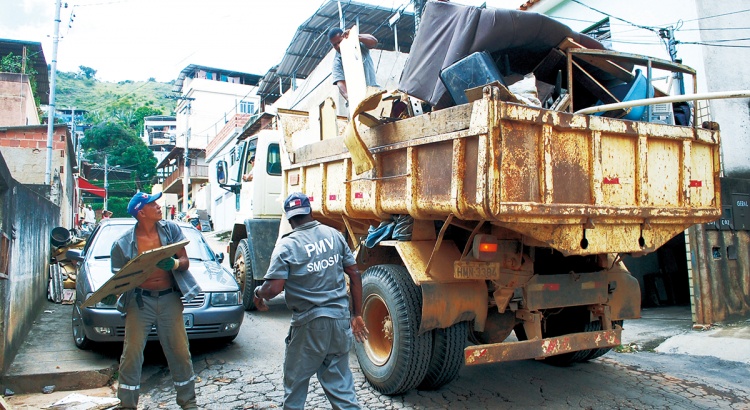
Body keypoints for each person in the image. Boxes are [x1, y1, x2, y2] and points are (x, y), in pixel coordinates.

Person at [254, 192, 369, 410]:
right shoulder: (334, 235)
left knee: (295, 387)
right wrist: (357, 315)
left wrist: (259, 293)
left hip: (309, 326)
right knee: (341, 389)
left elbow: (274, 288)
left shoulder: (287, 245)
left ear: (289, 218)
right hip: (339, 322)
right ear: (310, 211)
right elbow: (354, 274)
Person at [110, 192, 198, 410]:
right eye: (153, 205)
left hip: (169, 298)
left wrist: (176, 265)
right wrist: (114, 293)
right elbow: (117, 280)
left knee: (180, 352)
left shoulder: (171, 230)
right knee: (131, 354)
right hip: (140, 302)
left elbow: (185, 260)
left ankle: (189, 403)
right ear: (141, 212)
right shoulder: (122, 244)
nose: (159, 207)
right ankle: (126, 405)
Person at [329, 27, 380, 102]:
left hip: (374, 93)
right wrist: (351, 99)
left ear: (344, 37)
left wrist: (354, 36)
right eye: (335, 45)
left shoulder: (359, 46)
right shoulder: (337, 62)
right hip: (357, 100)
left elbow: (374, 42)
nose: (338, 46)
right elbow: (340, 85)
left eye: (339, 42)